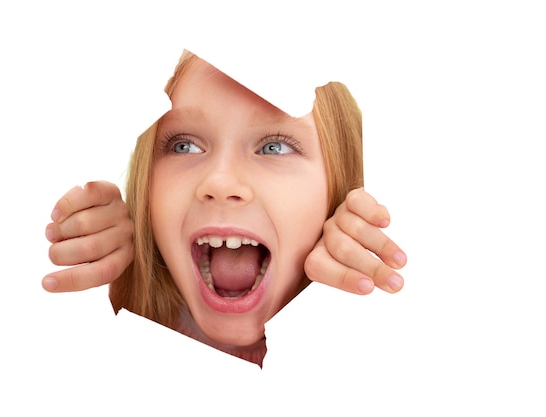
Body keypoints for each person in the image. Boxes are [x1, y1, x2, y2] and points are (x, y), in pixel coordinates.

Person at [43, 50, 407, 366]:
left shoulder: (374, 343)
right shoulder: (108, 326)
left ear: (341, 185)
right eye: (184, 145)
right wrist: (96, 274)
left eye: (274, 147)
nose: (220, 182)